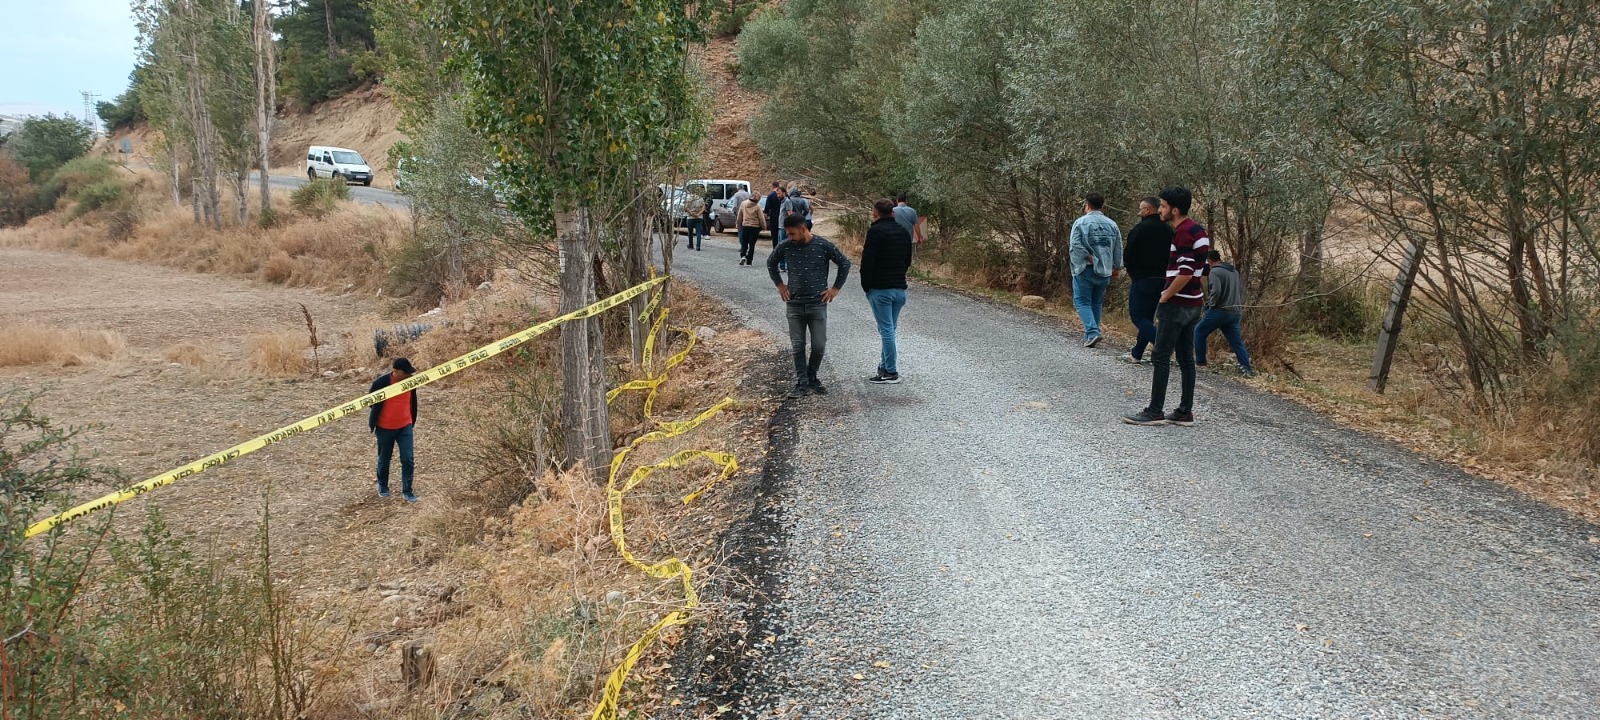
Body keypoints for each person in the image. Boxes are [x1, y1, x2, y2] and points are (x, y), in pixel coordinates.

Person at [1124, 186, 1210, 427]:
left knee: (1160, 356)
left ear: (1175, 209)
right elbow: (1203, 269)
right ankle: (1184, 411)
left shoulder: (1182, 233)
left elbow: (1186, 271)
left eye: (1162, 206)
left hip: (1176, 303)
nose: (1159, 210)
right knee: (1186, 358)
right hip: (1193, 303)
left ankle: (1155, 410)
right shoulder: (1199, 231)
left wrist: (1166, 296)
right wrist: (1200, 295)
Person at [769, 214, 852, 399]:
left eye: (792, 233)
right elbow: (771, 262)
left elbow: (845, 263)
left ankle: (812, 376)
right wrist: (780, 285)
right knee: (798, 345)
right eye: (787, 234)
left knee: (819, 345)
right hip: (794, 305)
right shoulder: (785, 246)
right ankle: (802, 383)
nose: (789, 237)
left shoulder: (823, 245)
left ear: (803, 229)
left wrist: (835, 289)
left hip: (817, 304)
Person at [861, 199, 915, 384]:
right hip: (899, 288)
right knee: (889, 329)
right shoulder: (903, 231)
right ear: (892, 212)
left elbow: (868, 261)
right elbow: (907, 260)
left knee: (886, 330)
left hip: (880, 288)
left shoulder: (875, 232)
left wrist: (867, 286)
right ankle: (884, 367)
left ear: (875, 213)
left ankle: (891, 371)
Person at [1122, 196, 1174, 364]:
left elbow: (1129, 254)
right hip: (1163, 279)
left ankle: (1162, 343)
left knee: (1137, 316)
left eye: (1141, 209)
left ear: (1148, 210)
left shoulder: (1140, 229)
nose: (1139, 212)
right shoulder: (1169, 230)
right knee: (1147, 317)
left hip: (1143, 278)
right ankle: (1137, 354)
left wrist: (1132, 271)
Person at [1068, 192, 1122, 348]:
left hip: (1085, 268)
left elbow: (1075, 245)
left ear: (1087, 205)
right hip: (1105, 269)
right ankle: (1091, 334)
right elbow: (1118, 247)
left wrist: (1087, 256)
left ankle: (1092, 332)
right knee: (1096, 302)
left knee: (1081, 302)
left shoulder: (1081, 223)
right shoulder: (1112, 224)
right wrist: (1116, 267)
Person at [369, 358, 421, 502]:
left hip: (405, 426)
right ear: (396, 371)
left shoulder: (410, 382)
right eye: (405, 373)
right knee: (384, 459)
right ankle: (383, 486)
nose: (408, 375)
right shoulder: (381, 383)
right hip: (385, 428)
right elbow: (370, 401)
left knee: (408, 459)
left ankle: (407, 491)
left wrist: (411, 419)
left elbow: (412, 401)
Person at [1195, 249, 1254, 376]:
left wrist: (1211, 304)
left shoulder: (1215, 271)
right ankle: (1246, 368)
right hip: (1235, 312)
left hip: (1219, 311)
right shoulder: (1234, 272)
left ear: (1209, 261)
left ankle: (1200, 362)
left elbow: (1216, 291)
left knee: (1199, 331)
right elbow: (1241, 291)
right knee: (1236, 342)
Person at [736, 193, 766, 266]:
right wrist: (763, 226)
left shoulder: (743, 204)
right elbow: (761, 218)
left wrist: (738, 224)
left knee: (744, 243)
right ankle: (749, 261)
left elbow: (739, 215)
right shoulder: (757, 206)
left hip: (745, 226)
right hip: (754, 227)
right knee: (752, 245)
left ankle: (743, 256)